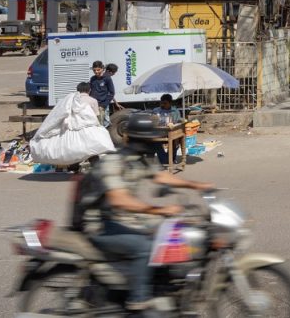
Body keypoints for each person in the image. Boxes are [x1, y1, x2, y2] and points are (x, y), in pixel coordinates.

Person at [80, 112, 214, 314]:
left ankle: (162, 286)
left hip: (122, 219)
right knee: (146, 246)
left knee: (170, 233)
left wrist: (196, 186)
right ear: (132, 139)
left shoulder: (139, 159)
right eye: (145, 140)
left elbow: (162, 177)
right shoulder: (113, 162)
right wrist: (159, 210)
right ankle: (138, 301)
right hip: (100, 224)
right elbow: (119, 199)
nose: (148, 144)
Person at [150, 94, 183, 166]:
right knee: (155, 141)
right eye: (161, 103)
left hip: (172, 133)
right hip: (159, 133)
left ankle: (169, 159)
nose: (162, 105)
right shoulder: (156, 110)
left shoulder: (175, 111)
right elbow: (152, 121)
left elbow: (177, 123)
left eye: (165, 103)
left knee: (176, 140)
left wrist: (173, 124)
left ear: (170, 103)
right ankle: (166, 160)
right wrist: (154, 118)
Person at [89, 61, 116, 127]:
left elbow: (111, 93)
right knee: (94, 124)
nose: (96, 72)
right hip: (93, 105)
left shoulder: (107, 79)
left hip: (102, 105)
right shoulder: (92, 79)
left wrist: (104, 105)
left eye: (98, 70)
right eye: (94, 70)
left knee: (103, 124)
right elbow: (90, 91)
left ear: (102, 69)